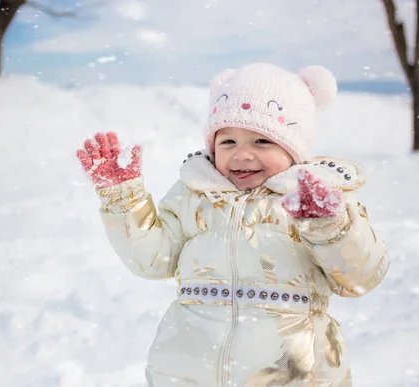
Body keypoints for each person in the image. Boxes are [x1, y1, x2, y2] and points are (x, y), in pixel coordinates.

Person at [76, 62, 389, 386]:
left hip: (292, 374)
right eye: (228, 142)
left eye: (262, 142)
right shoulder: (194, 195)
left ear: (295, 149)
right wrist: (123, 199)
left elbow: (360, 276)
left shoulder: (312, 201)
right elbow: (153, 260)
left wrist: (329, 225)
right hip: (190, 373)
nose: (242, 155)